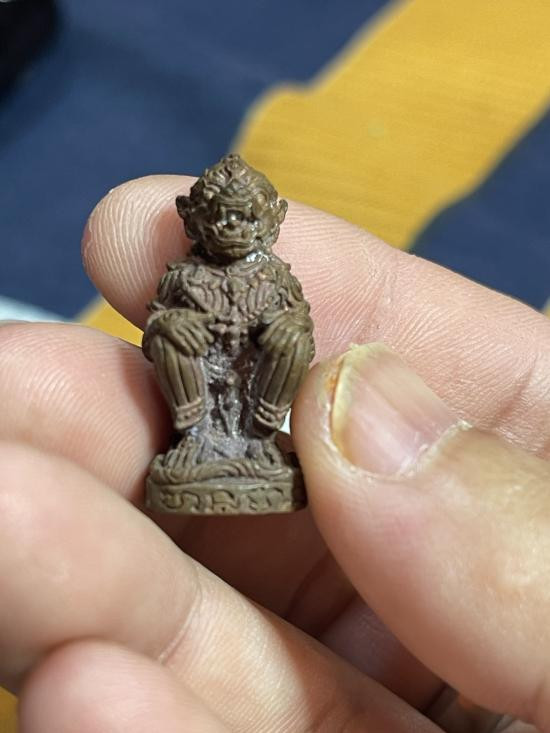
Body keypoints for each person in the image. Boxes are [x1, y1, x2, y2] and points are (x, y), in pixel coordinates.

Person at [0, 173, 548, 732]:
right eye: (219, 217)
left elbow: (295, 323)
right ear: (195, 220)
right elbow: (161, 321)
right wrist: (178, 330)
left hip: (255, 378)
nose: (231, 228)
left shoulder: (273, 275)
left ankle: (254, 440)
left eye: (244, 217)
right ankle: (198, 443)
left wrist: (281, 335)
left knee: (291, 343)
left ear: (268, 222)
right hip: (202, 376)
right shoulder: (186, 275)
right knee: (167, 345)